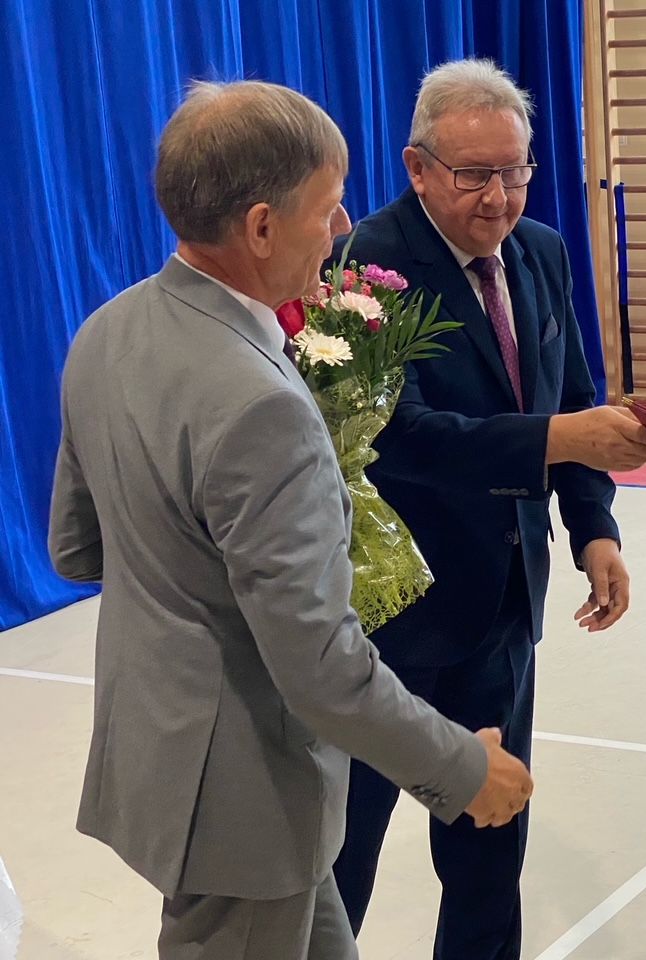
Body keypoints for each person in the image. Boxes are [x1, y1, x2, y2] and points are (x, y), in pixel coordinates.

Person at [47, 80, 533, 960]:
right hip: (244, 794)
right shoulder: (262, 403)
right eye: (328, 205)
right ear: (263, 227)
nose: (343, 227)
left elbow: (77, 548)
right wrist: (462, 770)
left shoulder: (106, 331)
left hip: (161, 753)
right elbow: (319, 666)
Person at [328, 59, 646, 958]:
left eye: (515, 171)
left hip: (504, 606)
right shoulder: (364, 264)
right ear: (417, 168)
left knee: (489, 850)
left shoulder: (543, 251)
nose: (498, 197)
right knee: (342, 858)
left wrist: (593, 529)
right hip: (393, 614)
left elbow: (573, 393)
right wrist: (560, 440)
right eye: (473, 174)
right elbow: (399, 436)